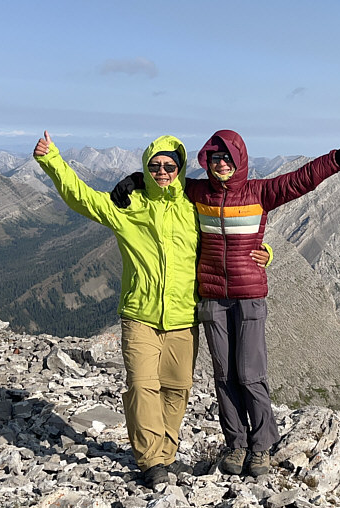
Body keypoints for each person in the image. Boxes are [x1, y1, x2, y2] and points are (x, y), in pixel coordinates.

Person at [112, 127, 340, 477]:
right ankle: (236, 445)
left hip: (248, 297)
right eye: (215, 158)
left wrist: (339, 157)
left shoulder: (259, 192)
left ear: (240, 160)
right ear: (207, 162)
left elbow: (300, 180)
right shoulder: (198, 191)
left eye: (228, 158)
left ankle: (261, 447)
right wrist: (136, 179)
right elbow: (165, 180)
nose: (221, 164)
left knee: (250, 374)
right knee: (224, 376)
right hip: (213, 298)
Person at [33, 131, 271, 488]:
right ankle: (150, 462)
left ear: (180, 169)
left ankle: (168, 456)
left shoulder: (192, 205)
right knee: (142, 388)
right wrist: (51, 159)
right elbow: (81, 197)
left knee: (176, 391)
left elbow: (229, 237)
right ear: (146, 168)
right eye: (155, 166)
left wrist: (265, 252)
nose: (163, 172)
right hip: (140, 316)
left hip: (183, 319)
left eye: (169, 166)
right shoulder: (130, 206)